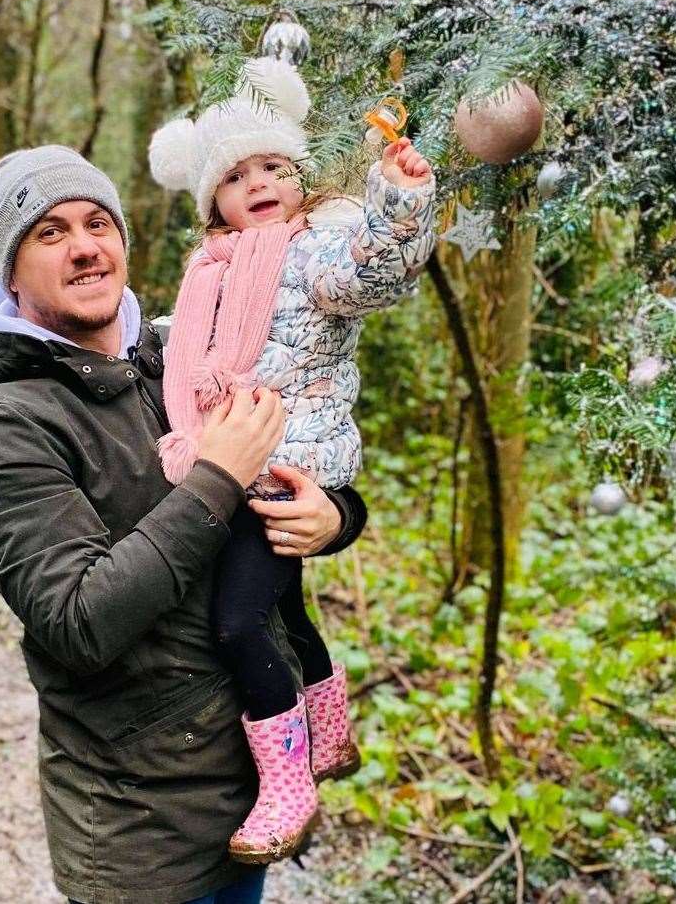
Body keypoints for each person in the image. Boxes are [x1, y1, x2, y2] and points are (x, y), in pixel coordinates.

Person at [0, 145, 368, 904]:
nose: (83, 246)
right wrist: (218, 477)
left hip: (252, 782)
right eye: (48, 232)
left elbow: (309, 446)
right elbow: (79, 621)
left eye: (98, 222)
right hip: (143, 834)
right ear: (10, 270)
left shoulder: (185, 351)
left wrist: (335, 517)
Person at [147, 57, 435, 862]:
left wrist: (400, 200)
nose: (259, 182)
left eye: (274, 165)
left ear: (298, 175)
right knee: (291, 613)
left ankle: (290, 782)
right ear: (216, 203)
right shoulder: (212, 270)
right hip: (244, 466)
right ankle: (330, 734)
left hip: (287, 468)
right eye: (237, 175)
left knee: (239, 622)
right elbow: (187, 354)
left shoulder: (313, 252)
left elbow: (371, 275)